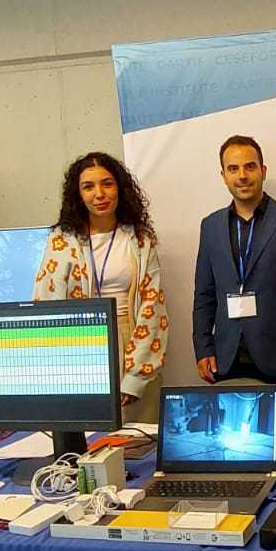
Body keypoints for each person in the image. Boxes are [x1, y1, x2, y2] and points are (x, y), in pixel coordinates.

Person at [193, 135, 276, 422]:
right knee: (229, 435)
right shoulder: (210, 226)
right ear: (223, 175)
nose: (242, 175)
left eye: (249, 167)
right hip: (226, 357)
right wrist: (203, 348)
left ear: (263, 171)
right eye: (233, 168)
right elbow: (204, 295)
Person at [34, 151, 168, 409]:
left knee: (135, 430)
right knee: (86, 428)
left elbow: (153, 308)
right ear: (78, 194)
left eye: (107, 184)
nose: (99, 194)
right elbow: (46, 304)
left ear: (120, 188)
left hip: (131, 339)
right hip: (78, 344)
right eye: (88, 187)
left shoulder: (140, 240)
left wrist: (136, 377)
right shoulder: (61, 240)